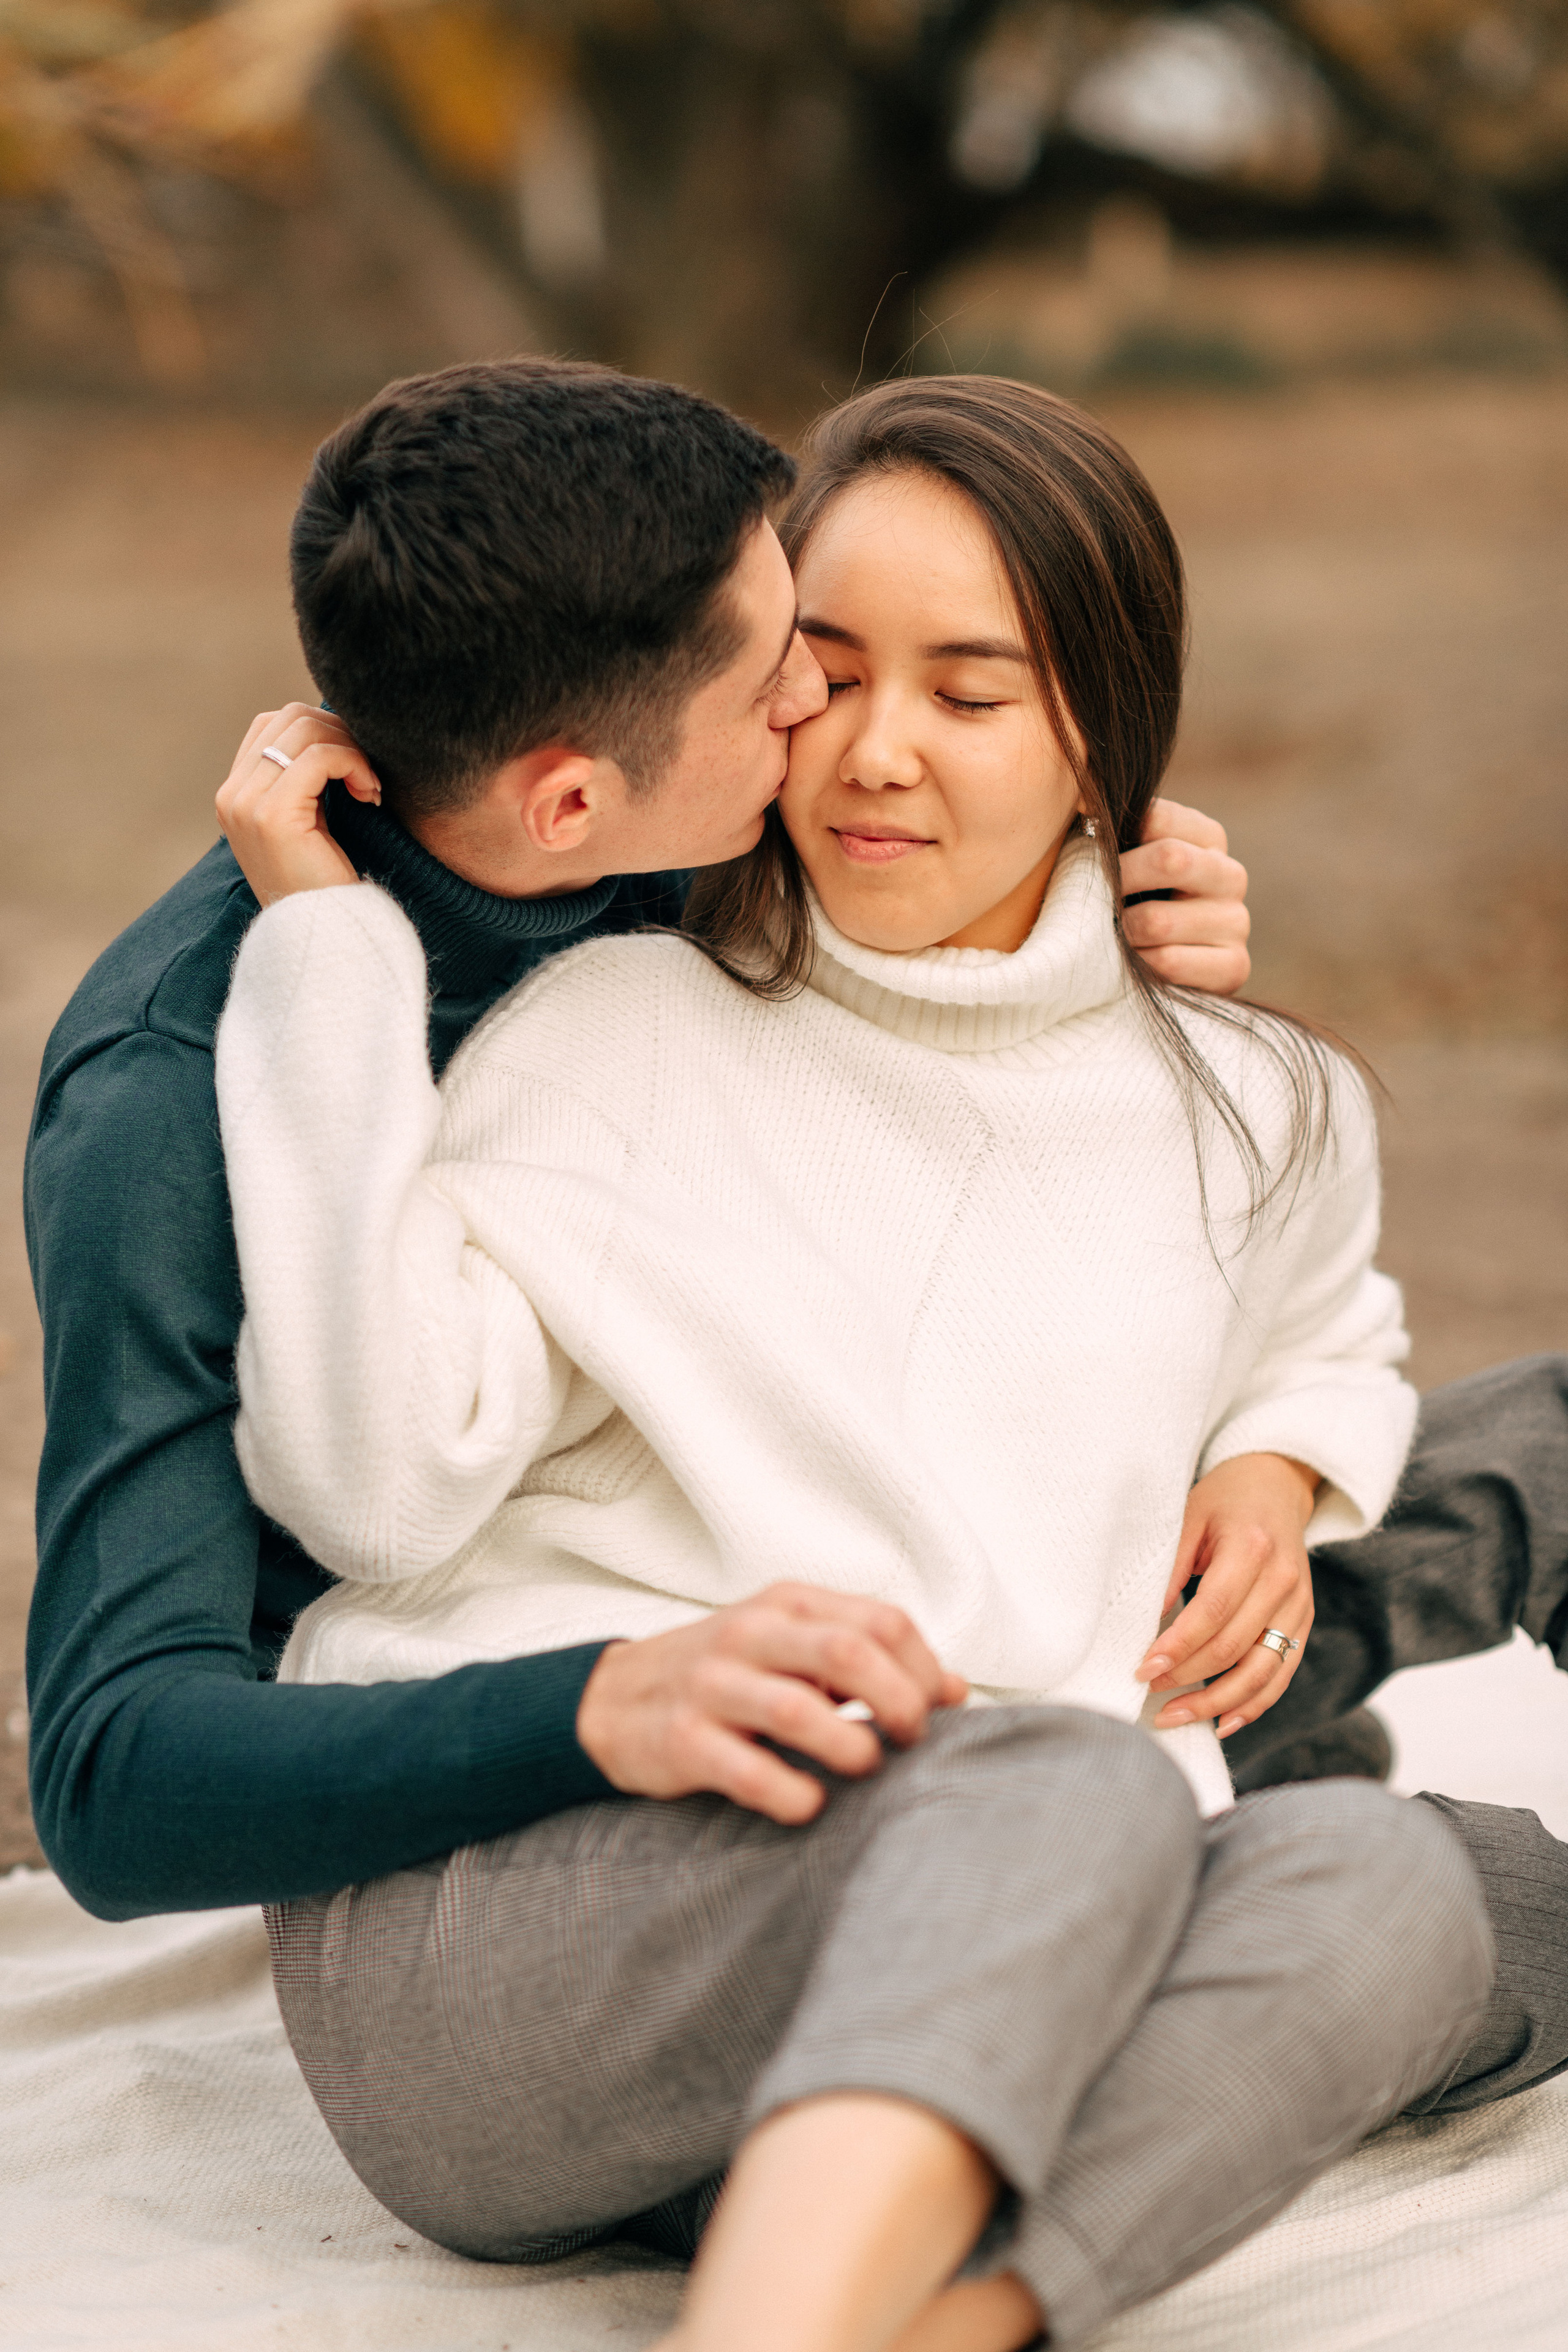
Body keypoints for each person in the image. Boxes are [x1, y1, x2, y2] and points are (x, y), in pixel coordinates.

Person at [19, 356, 1562, 2341]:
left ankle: (952, 2288)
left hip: (983, 1690)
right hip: (590, 1808)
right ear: (587, 798)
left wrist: (1267, 1452)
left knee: (1415, 1883)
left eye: (960, 691)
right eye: (805, 681)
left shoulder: (750, 842)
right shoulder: (223, 1093)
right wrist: (601, 1698)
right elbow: (136, 1756)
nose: (839, 745)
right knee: (1073, 1798)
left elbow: (1274, 1297)